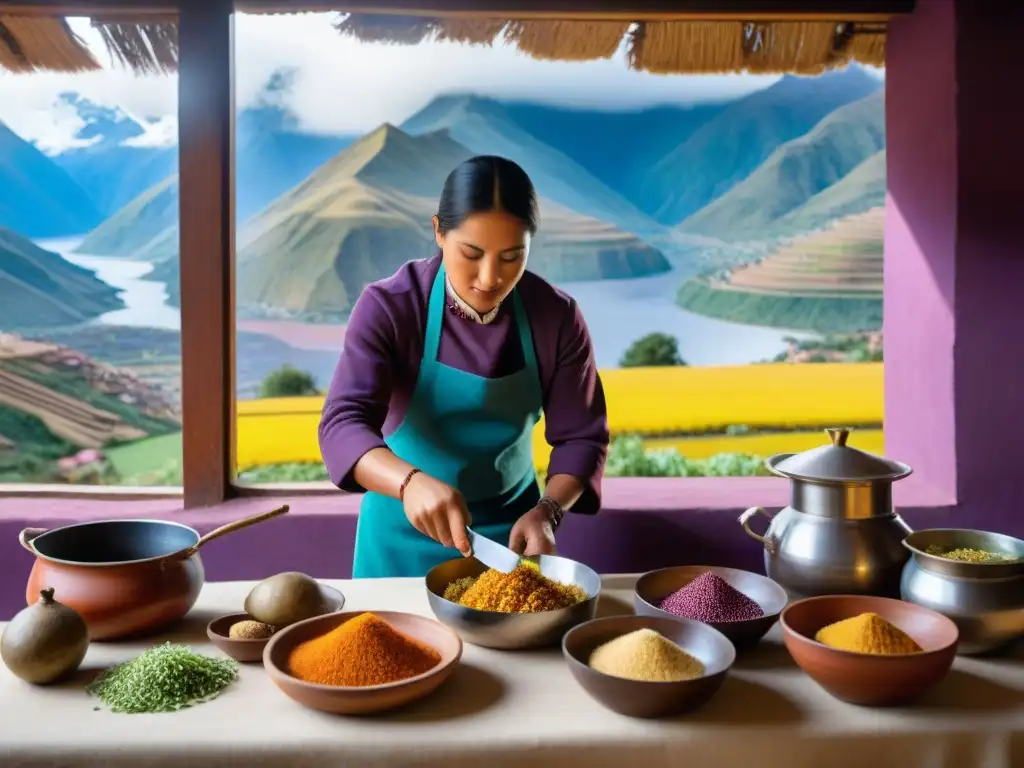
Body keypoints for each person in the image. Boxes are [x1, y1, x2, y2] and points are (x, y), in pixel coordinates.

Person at [319, 155, 610, 578]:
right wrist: (409, 482)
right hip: (401, 530)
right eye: (471, 253)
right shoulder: (391, 307)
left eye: (511, 257)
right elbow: (342, 423)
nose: (490, 277)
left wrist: (548, 512)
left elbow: (582, 438)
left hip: (510, 540)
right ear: (438, 231)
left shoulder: (557, 317)